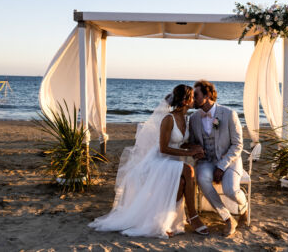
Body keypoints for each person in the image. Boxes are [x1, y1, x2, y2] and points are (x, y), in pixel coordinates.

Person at [88, 84, 209, 238]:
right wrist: (189, 152)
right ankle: (193, 217)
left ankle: (164, 220)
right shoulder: (168, 119)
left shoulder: (186, 118)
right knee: (189, 170)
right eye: (192, 97)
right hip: (159, 161)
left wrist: (194, 147)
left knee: (182, 183)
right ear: (186, 100)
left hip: (173, 162)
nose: (195, 100)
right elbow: (163, 148)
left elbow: (180, 142)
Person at [189, 80, 248, 236]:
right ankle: (228, 219)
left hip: (230, 160)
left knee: (231, 191)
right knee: (202, 178)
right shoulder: (193, 118)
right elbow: (193, 143)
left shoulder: (229, 114)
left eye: (196, 95)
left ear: (207, 95)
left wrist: (222, 166)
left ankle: (244, 207)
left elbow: (237, 145)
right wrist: (196, 150)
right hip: (206, 161)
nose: (192, 98)